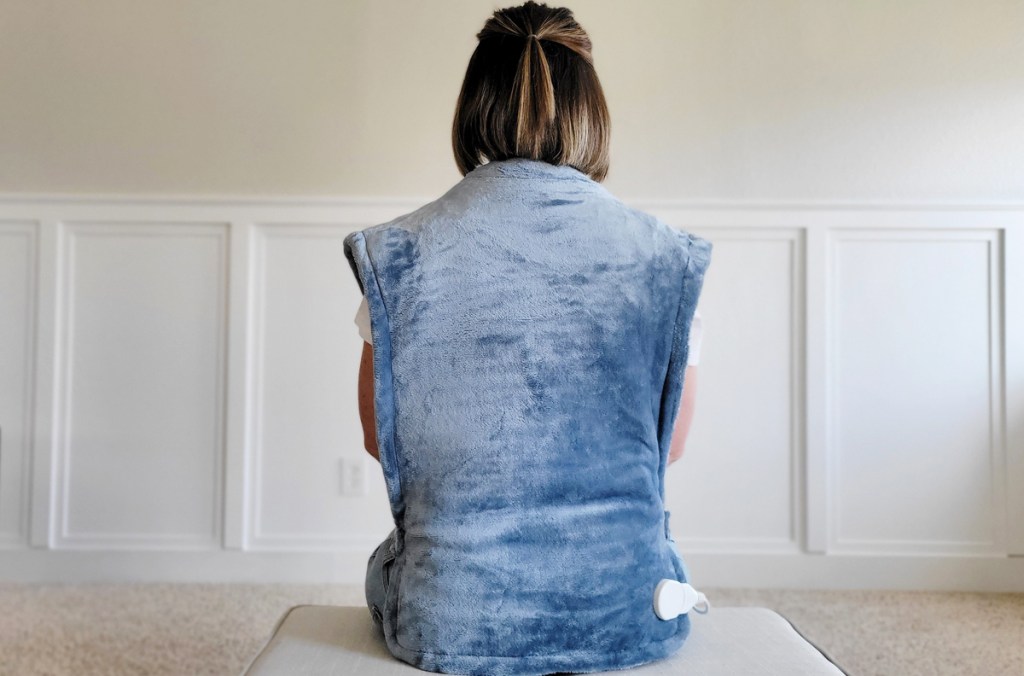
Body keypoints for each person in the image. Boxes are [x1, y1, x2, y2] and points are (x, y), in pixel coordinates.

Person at [343, 2, 712, 673]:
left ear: (472, 107)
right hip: (629, 612)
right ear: (590, 112)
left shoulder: (397, 254)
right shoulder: (664, 259)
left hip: (451, 621)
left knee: (389, 567)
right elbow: (672, 444)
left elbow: (380, 438)